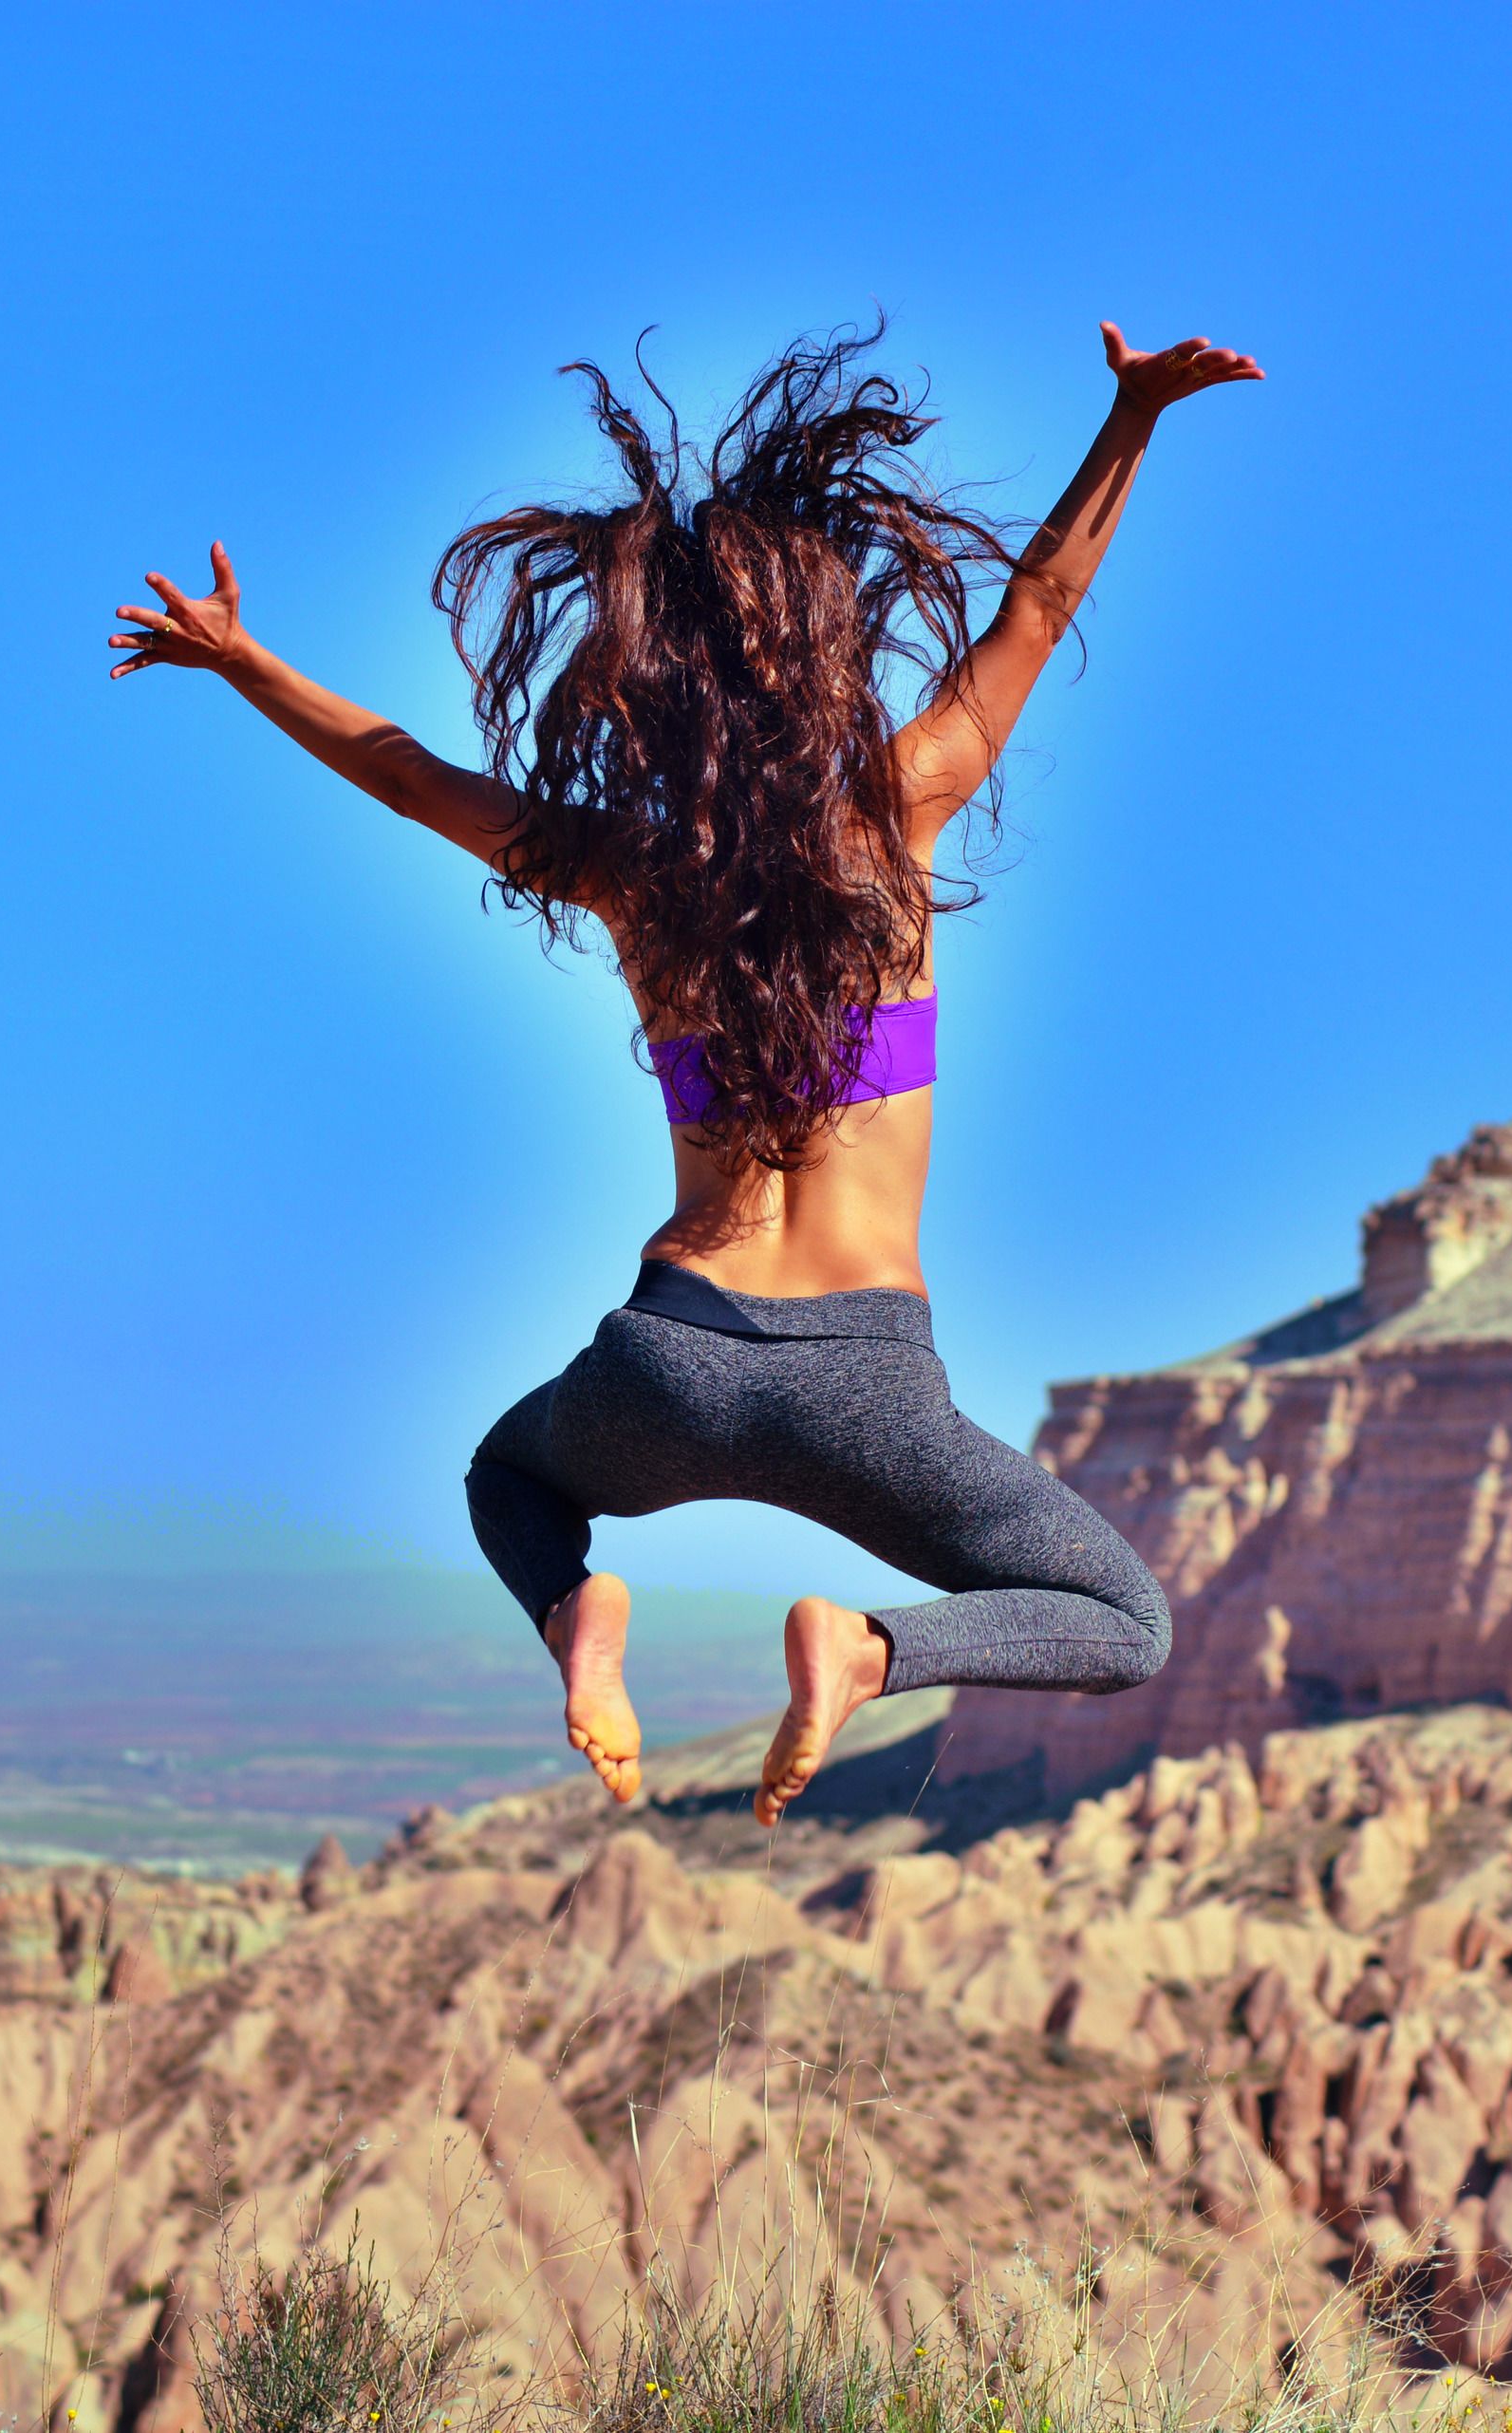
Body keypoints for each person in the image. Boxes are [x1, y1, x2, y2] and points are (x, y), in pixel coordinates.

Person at [109, 319, 1260, 1824]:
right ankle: (865, 1653)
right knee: (1122, 1620)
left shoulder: (631, 871)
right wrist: (1132, 421)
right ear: (835, 663)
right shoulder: (899, 816)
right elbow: (1042, 602)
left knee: (512, 1485)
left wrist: (246, 661)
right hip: (869, 1383)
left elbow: (405, 774)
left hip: (675, 1353)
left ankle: (584, 1630)